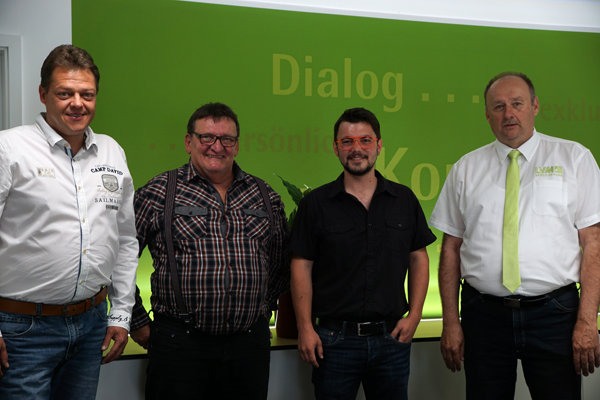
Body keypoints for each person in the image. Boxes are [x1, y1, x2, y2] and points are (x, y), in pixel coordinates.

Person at [430, 72, 600, 399]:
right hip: (484, 317)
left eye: (517, 104)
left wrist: (587, 321)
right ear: (487, 114)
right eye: (498, 106)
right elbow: (450, 249)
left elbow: (593, 244)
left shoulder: (574, 158)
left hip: (556, 315)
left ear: (535, 106)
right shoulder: (466, 168)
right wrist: (451, 321)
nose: (509, 113)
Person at [0, 45, 138, 399]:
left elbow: (124, 240)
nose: (77, 103)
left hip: (92, 322)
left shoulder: (111, 151)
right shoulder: (9, 149)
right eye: (65, 93)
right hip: (21, 328)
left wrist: (121, 314)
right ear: (44, 94)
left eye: (86, 94)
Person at [129, 102, 290, 400]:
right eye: (207, 137)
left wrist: (258, 312)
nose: (217, 146)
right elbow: (118, 262)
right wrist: (137, 321)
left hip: (248, 347)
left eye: (226, 139)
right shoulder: (158, 192)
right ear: (189, 142)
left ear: (236, 146)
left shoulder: (265, 196)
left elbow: (280, 263)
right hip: (179, 344)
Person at [289, 107, 436, 400]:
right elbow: (301, 266)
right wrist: (305, 328)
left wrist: (416, 315)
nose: (356, 149)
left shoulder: (403, 199)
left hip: (391, 339)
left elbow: (419, 257)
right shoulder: (315, 204)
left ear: (379, 145)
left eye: (365, 140)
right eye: (347, 141)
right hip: (333, 341)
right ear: (336, 148)